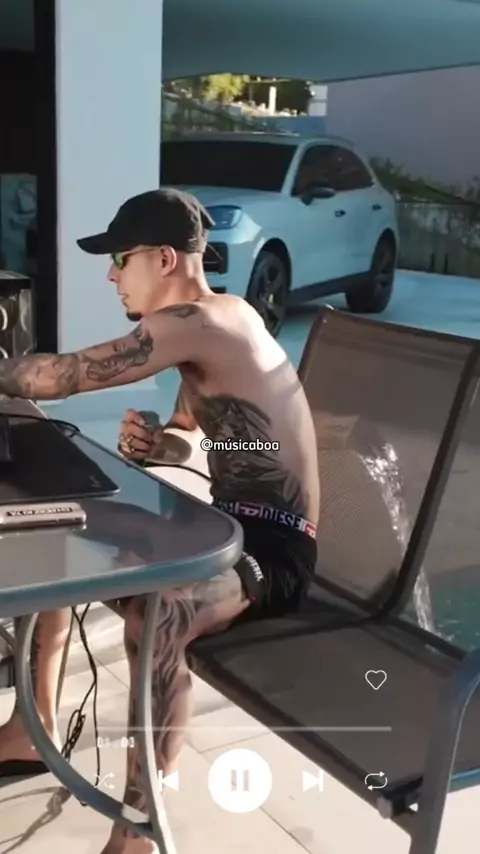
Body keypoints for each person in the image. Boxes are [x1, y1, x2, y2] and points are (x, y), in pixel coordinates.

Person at [0, 188, 320, 854]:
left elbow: (63, 376)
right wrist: (160, 445)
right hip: (226, 525)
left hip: (273, 552)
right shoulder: (212, 327)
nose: (111, 276)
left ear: (165, 259)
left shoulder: (200, 320)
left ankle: (139, 830)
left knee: (161, 608)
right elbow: (194, 437)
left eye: (120, 259)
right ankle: (31, 728)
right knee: (63, 535)